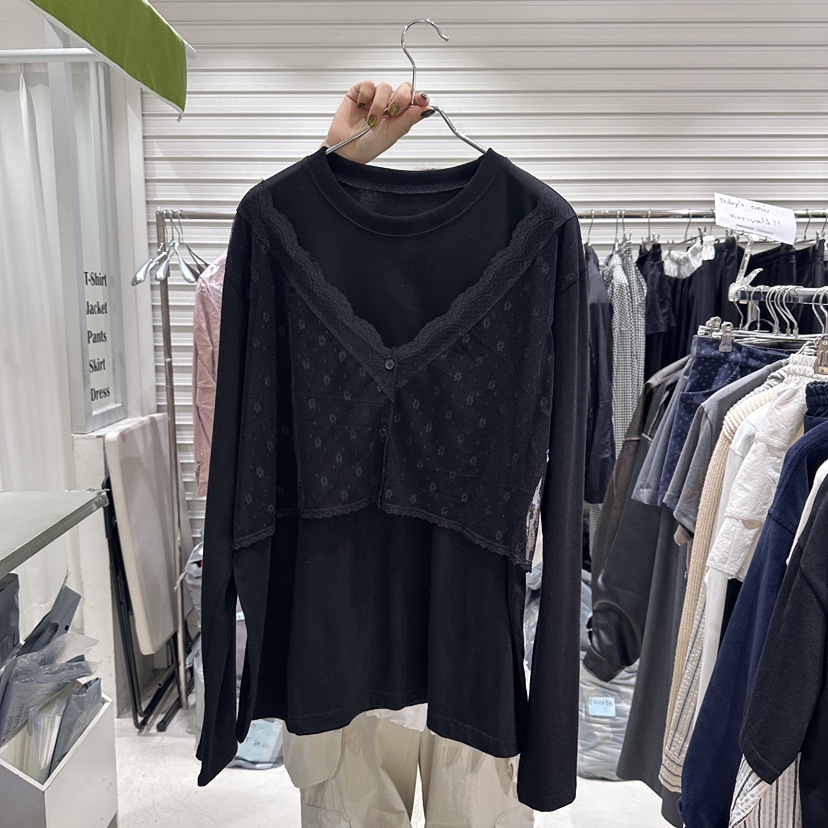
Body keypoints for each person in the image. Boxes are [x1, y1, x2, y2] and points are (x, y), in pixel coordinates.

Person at [279, 81, 536, 828]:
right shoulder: (281, 232)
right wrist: (333, 164)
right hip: (342, 638)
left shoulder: (537, 233)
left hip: (470, 637)